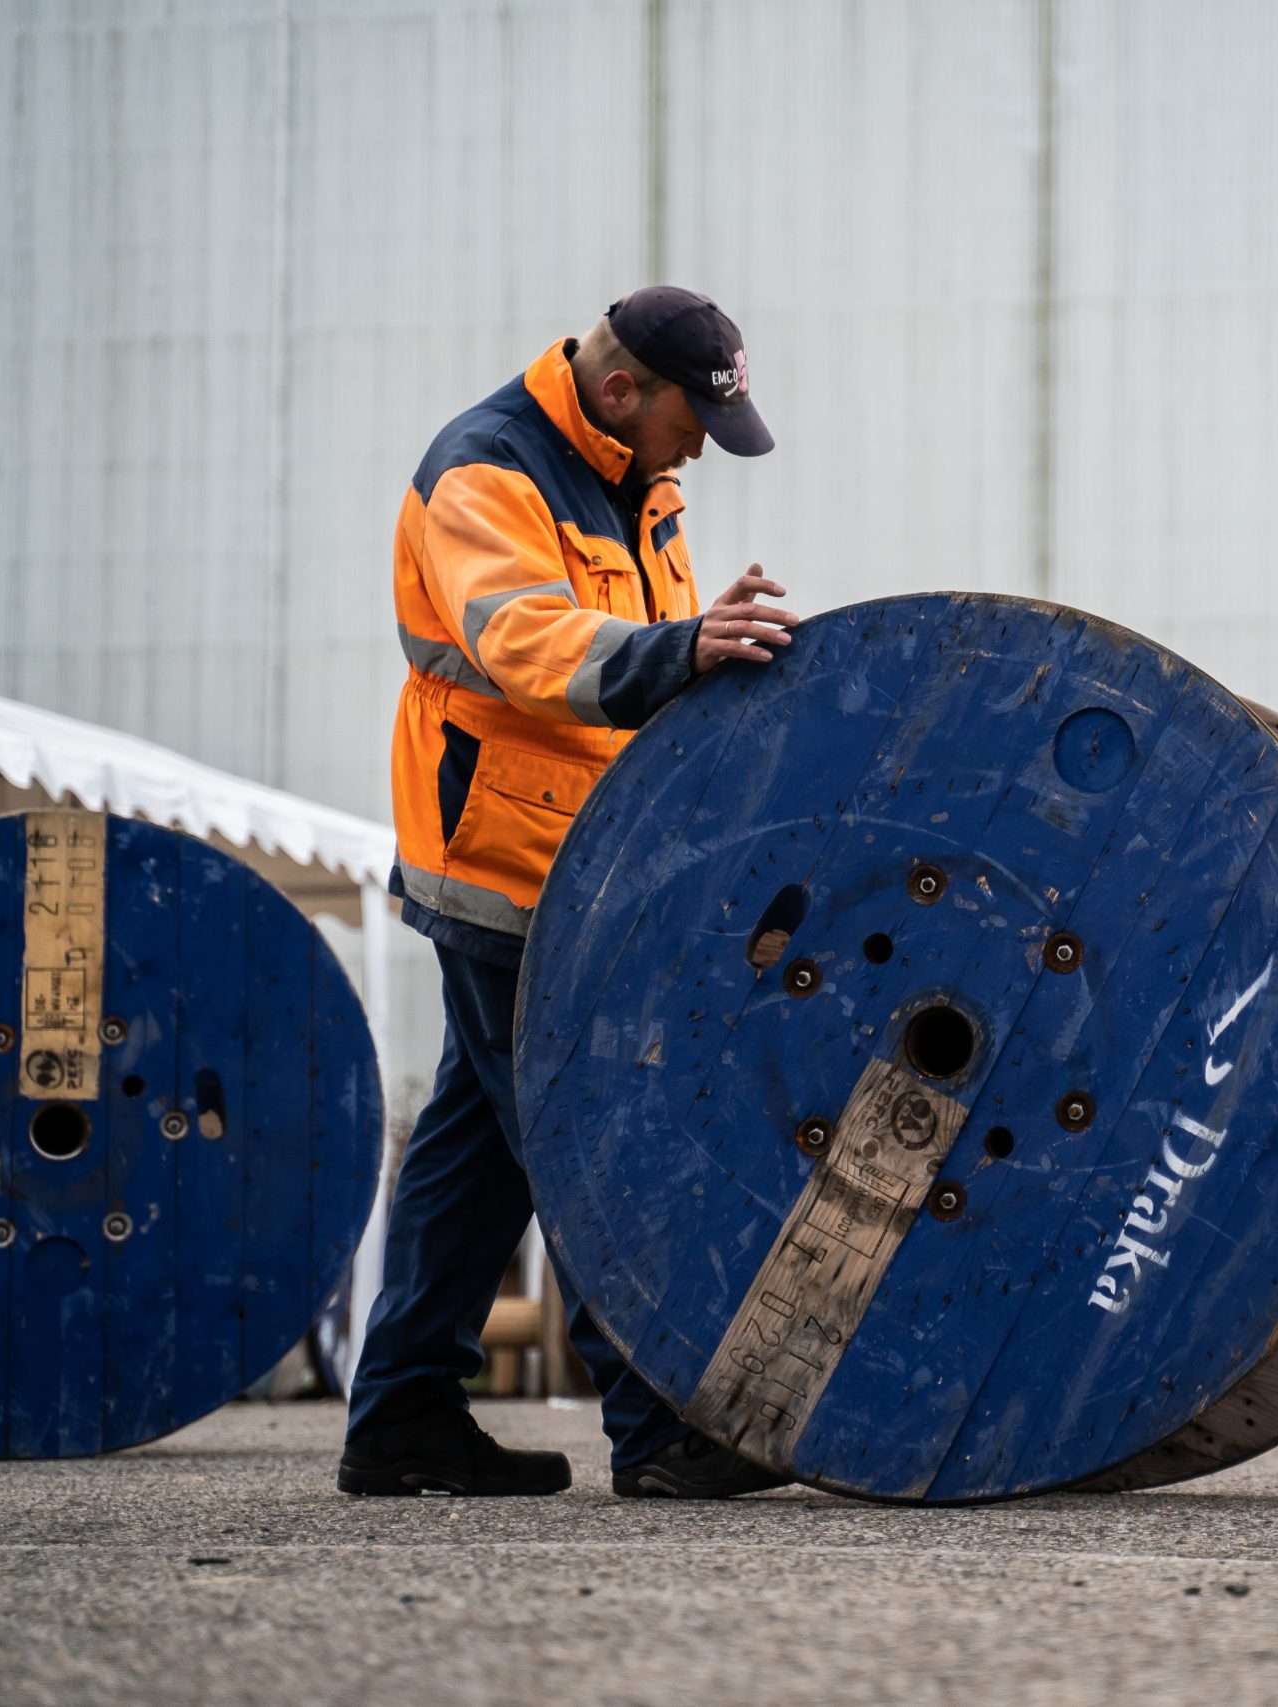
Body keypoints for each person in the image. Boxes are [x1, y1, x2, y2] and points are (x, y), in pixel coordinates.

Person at [339, 287, 802, 1497]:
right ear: (617, 393)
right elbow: (529, 643)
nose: (699, 443)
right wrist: (679, 649)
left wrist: (717, 642)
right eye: (690, 418)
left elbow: (653, 659)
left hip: (591, 864)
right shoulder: (484, 473)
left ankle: (399, 1421)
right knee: (578, 1137)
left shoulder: (639, 483)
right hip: (501, 863)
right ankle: (655, 1430)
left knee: (481, 1146)